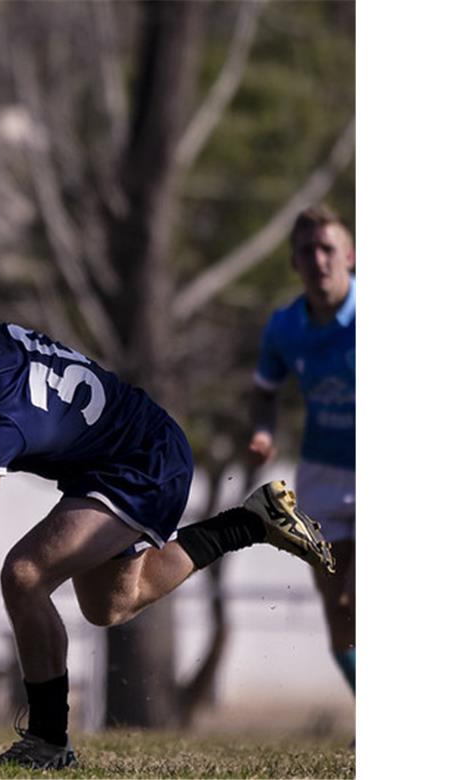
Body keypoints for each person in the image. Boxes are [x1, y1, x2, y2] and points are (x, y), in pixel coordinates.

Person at [0, 313, 334, 769]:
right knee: (110, 606)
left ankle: (48, 740)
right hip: (124, 450)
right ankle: (250, 523)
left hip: (142, 459)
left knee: (23, 573)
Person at [248, 205, 356, 697]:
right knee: (337, 607)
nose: (319, 259)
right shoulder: (285, 327)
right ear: (294, 262)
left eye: (328, 249)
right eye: (307, 251)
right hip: (321, 474)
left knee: (361, 594)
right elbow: (265, 390)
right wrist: (264, 433)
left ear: (350, 256)